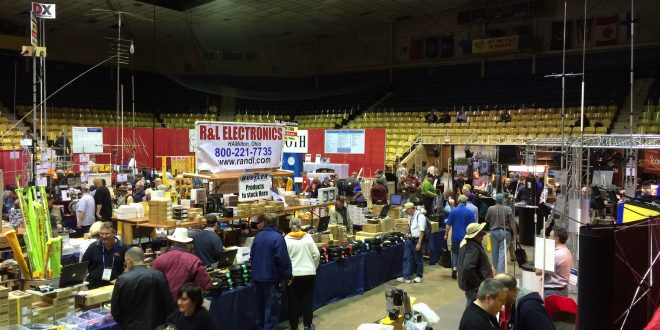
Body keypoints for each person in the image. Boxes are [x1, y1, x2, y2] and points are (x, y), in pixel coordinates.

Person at [111, 247, 175, 330]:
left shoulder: (122, 279)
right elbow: (168, 304)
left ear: (129, 261)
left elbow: (115, 311)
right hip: (157, 325)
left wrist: (125, 324)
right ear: (143, 259)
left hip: (131, 326)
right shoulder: (159, 275)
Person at [251, 213, 293, 330]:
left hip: (257, 278)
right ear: (277, 223)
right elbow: (282, 259)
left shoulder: (258, 237)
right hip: (272, 280)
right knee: (271, 310)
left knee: (260, 308)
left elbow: (252, 256)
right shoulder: (278, 238)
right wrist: (288, 275)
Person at [153, 228, 212, 300]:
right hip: (186, 304)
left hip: (165, 304)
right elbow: (205, 284)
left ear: (173, 241)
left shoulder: (159, 259)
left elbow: (154, 283)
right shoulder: (193, 260)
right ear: (187, 243)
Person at [285, 218, 320, 330]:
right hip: (309, 273)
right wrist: (313, 267)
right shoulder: (308, 237)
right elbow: (316, 254)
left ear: (290, 226)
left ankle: (294, 327)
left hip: (293, 275)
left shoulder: (286, 239)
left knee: (293, 302)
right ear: (300, 226)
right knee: (307, 300)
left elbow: (284, 258)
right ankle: (307, 325)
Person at [82, 222, 128, 289]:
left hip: (115, 286)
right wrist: (83, 284)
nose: (104, 236)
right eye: (101, 234)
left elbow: (130, 266)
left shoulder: (123, 247)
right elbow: (84, 266)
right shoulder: (93, 247)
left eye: (107, 234)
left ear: (114, 233)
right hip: (94, 286)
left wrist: (122, 279)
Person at [457, 222, 493, 305]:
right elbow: (468, 268)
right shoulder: (473, 248)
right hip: (474, 288)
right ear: (475, 235)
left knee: (471, 307)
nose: (483, 236)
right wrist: (479, 284)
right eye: (480, 234)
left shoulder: (468, 244)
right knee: (475, 307)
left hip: (471, 287)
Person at [536, 227, 573, 297]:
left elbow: (538, 272)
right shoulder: (567, 251)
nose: (549, 238)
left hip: (552, 292)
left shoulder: (554, 254)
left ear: (556, 239)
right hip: (563, 290)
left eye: (550, 236)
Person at [445, 195, 476, 279]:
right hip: (466, 237)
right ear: (466, 202)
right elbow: (473, 225)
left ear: (458, 201)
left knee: (455, 252)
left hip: (455, 237)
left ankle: (454, 267)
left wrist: (446, 234)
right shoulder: (469, 212)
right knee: (465, 254)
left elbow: (448, 224)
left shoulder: (453, 211)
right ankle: (462, 270)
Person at [485, 194, 517, 274]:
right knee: (502, 253)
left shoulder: (490, 208)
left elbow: (487, 219)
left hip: (493, 232)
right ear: (503, 200)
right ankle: (500, 272)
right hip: (505, 232)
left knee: (494, 252)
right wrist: (515, 235)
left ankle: (495, 271)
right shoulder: (508, 209)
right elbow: (512, 223)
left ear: (495, 200)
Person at [397, 203, 426, 284]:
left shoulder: (420, 217)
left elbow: (422, 231)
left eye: (406, 210)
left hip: (417, 240)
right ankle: (406, 276)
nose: (405, 212)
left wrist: (419, 243)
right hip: (410, 239)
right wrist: (406, 233)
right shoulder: (410, 216)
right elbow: (410, 226)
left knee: (418, 259)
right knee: (406, 257)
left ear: (411, 209)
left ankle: (419, 276)